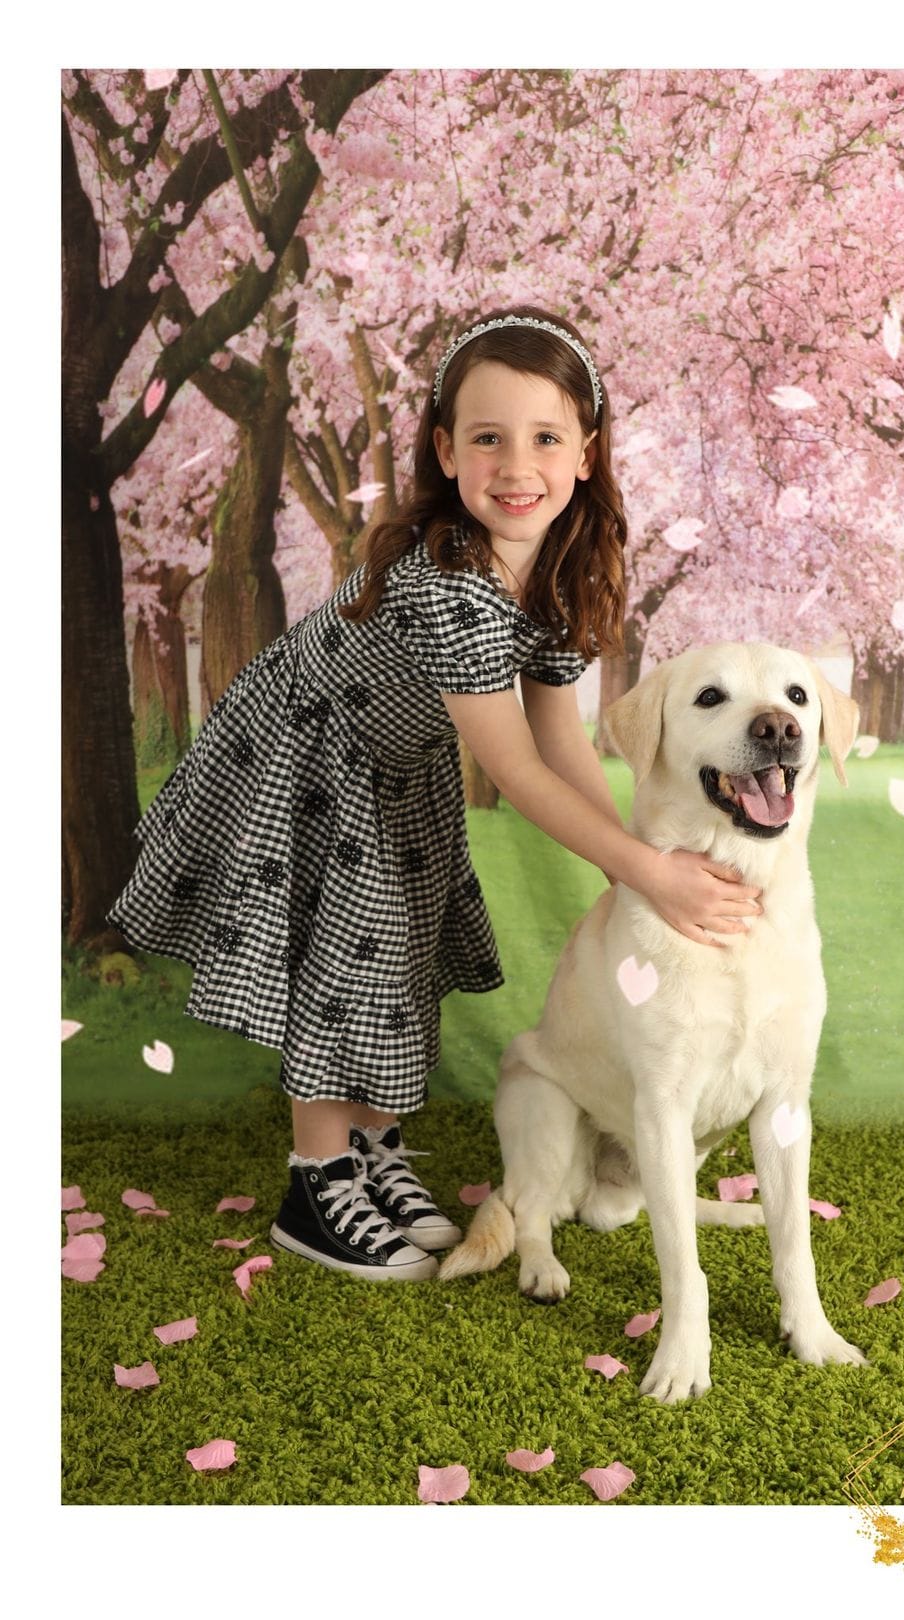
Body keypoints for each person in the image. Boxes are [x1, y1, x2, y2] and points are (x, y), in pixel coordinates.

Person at [107, 304, 762, 1282]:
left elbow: (561, 737)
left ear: (586, 453)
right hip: (303, 762)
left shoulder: (554, 574)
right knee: (338, 965)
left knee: (396, 958)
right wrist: (644, 873)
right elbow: (515, 770)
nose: (516, 465)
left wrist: (641, 863)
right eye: (488, 439)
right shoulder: (451, 581)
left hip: (394, 773)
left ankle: (371, 1147)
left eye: (545, 438)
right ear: (447, 452)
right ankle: (315, 1180)